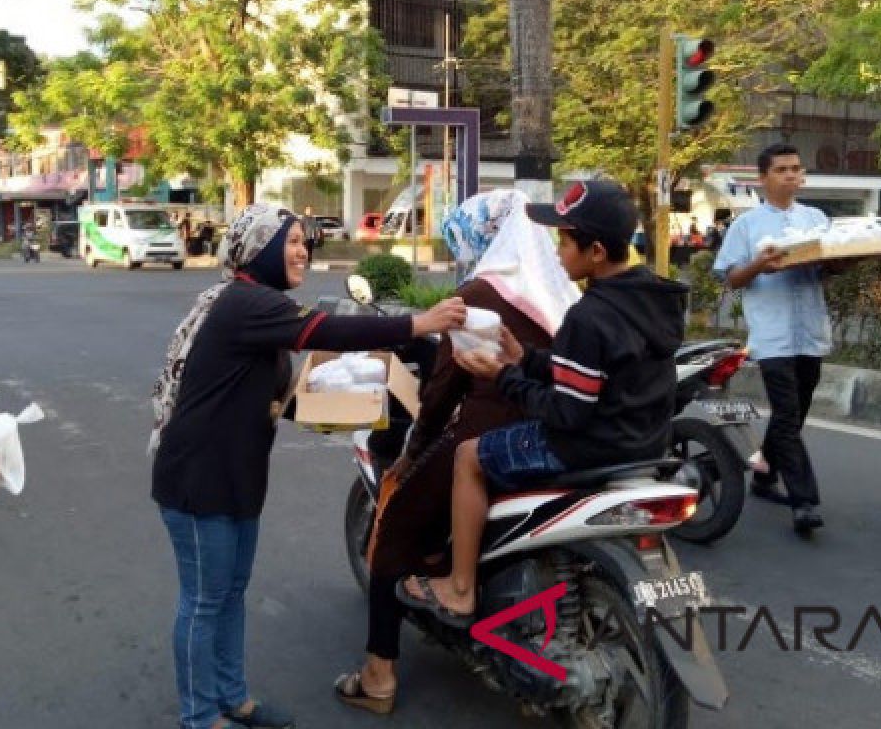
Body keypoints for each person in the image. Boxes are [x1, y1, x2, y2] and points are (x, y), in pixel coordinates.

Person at [149, 203, 465, 729]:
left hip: (237, 477)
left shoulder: (257, 307)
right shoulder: (244, 303)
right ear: (262, 251)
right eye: (291, 241)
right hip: (198, 479)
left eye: (304, 241)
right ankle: (200, 716)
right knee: (205, 600)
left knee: (230, 593)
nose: (302, 251)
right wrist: (419, 323)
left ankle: (234, 698)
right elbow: (325, 331)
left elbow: (278, 396)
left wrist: (350, 407)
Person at [333, 190, 580, 715]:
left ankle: (379, 676)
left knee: (393, 525)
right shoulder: (559, 291)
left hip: (488, 439)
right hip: (556, 438)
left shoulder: (477, 297)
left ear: (484, 239)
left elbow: (442, 390)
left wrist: (408, 456)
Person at [397, 180, 688, 624]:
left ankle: (459, 589)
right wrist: (526, 359)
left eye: (566, 240)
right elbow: (591, 369)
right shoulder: (650, 300)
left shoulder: (588, 314)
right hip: (643, 444)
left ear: (594, 252)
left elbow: (565, 412)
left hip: (584, 443)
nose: (556, 250)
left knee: (468, 457)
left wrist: (505, 376)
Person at [712, 142, 831, 535]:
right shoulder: (746, 226)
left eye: (796, 168)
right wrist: (759, 265)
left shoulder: (816, 218)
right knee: (787, 413)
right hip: (773, 333)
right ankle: (804, 501)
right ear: (763, 178)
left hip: (810, 331)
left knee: (792, 416)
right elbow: (730, 277)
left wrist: (839, 263)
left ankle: (764, 477)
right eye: (782, 170)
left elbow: (830, 269)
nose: (792, 175)